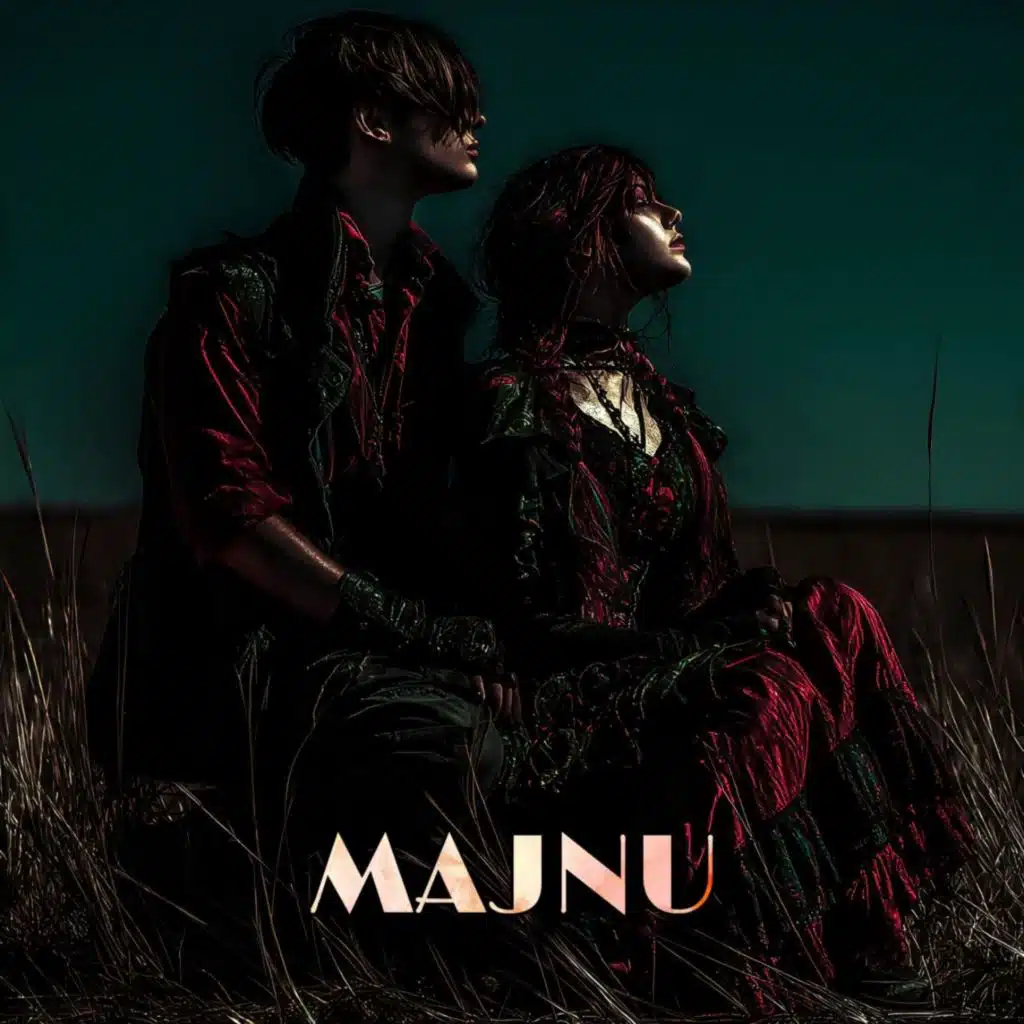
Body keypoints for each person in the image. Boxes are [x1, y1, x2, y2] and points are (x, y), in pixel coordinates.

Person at [456, 144, 974, 1012]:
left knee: (836, 612)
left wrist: (740, 607)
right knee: (764, 684)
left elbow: (693, 584)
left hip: (668, 659)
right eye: (644, 201)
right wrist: (696, 640)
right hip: (576, 687)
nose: (674, 215)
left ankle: (863, 933)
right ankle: (754, 961)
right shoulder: (513, 397)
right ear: (583, 233)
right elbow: (524, 615)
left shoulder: (659, 401)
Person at [85, 11, 519, 930]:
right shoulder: (230, 296)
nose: (477, 120)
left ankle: (308, 900)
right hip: (237, 666)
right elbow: (233, 522)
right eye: (450, 101)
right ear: (373, 120)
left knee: (547, 743)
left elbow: (425, 512)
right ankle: (219, 886)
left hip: (364, 658)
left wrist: (478, 634)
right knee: (450, 744)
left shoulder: (435, 307)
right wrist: (412, 630)